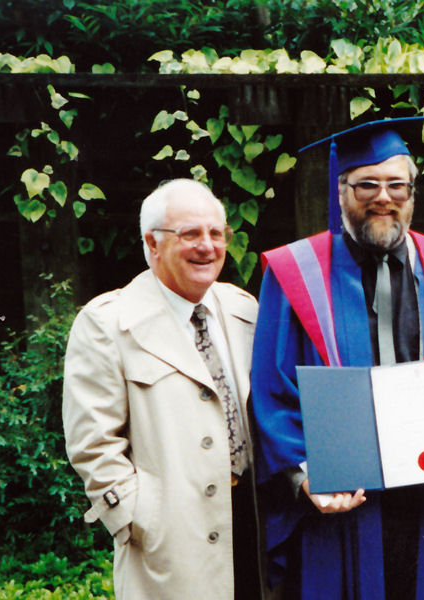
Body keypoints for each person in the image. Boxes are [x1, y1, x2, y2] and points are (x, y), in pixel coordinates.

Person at [250, 117, 424, 600]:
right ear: (340, 189)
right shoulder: (292, 274)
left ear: (413, 192)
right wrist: (305, 476)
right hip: (341, 503)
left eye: (396, 185)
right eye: (366, 184)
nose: (383, 197)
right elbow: (272, 387)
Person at [62, 178, 263, 600]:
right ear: (152, 244)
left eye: (216, 233)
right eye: (190, 233)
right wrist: (137, 519)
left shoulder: (245, 310)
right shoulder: (108, 323)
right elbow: (92, 444)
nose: (207, 246)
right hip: (170, 539)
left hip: (255, 522)